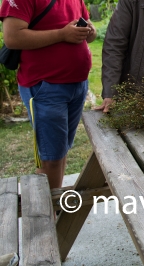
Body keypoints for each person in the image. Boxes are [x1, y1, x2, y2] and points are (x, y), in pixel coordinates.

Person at [0, 0, 97, 189]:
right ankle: (46, 215)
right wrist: (62, 34)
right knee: (51, 159)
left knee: (60, 152)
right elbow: (12, 37)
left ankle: (55, 207)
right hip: (45, 88)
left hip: (77, 85)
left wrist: (90, 31)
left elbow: (87, 26)